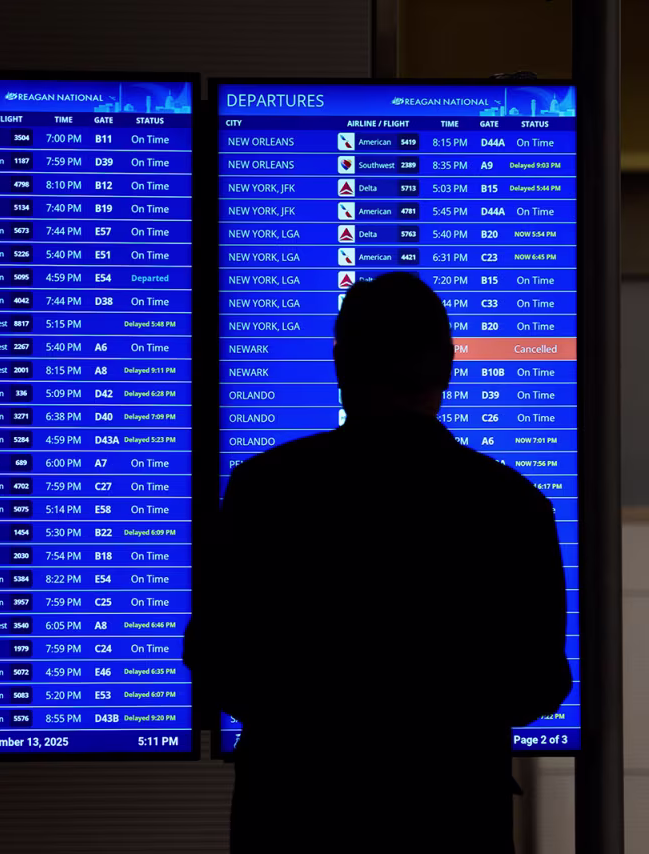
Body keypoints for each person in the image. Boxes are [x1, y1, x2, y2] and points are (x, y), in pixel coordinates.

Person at [185, 272, 572, 852]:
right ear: (446, 365)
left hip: (293, 814)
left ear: (342, 365)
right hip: (451, 816)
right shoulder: (513, 506)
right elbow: (537, 685)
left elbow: (214, 657)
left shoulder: (263, 490)